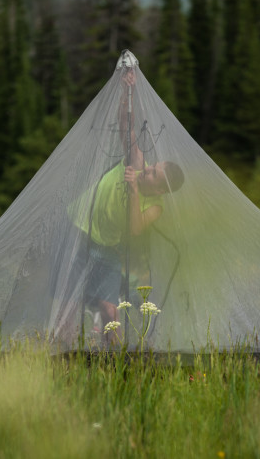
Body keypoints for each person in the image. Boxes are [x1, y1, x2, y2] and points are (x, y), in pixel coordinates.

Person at [71, 68, 184, 329]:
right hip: (78, 230)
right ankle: (62, 356)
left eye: (153, 174)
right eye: (153, 166)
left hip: (105, 247)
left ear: (158, 190)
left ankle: (116, 363)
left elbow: (134, 228)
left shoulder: (155, 206)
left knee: (112, 313)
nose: (147, 168)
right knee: (68, 305)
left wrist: (134, 191)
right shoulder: (137, 160)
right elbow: (126, 127)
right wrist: (127, 93)